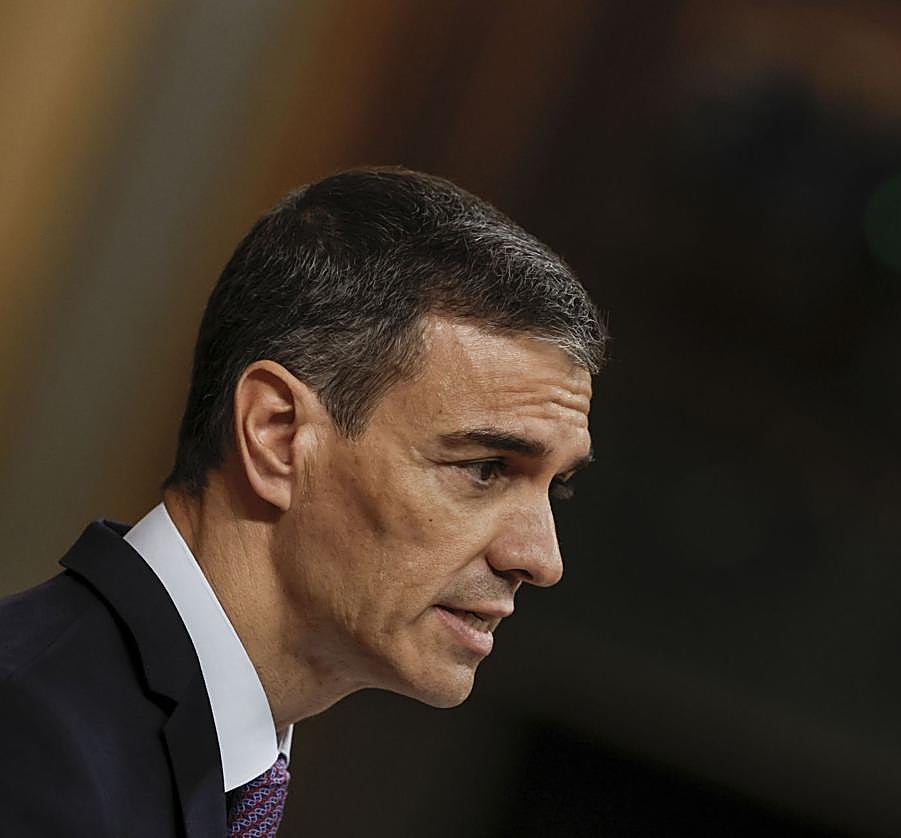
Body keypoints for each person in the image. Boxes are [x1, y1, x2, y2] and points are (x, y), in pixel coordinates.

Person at [0, 167, 607, 837]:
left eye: (557, 486)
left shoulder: (171, 757)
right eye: (486, 468)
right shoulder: (26, 741)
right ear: (277, 436)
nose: (540, 558)